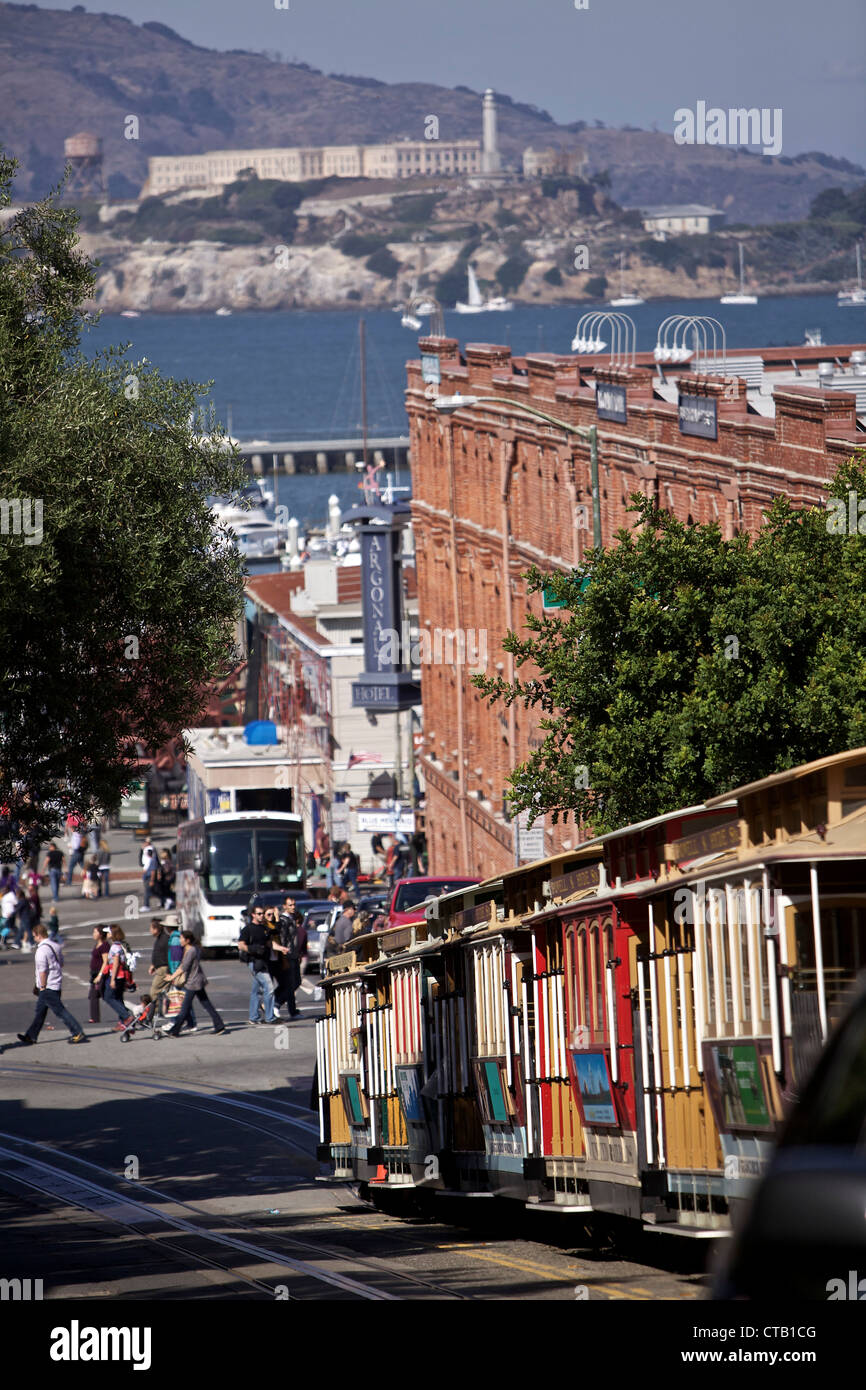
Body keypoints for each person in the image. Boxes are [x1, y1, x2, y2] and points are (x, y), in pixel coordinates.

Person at [17, 922, 87, 1046]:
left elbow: (42, 971)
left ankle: (77, 1032)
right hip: (56, 982)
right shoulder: (56, 946)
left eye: (34, 936)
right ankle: (31, 1035)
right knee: (40, 1011)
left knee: (60, 1011)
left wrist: (42, 987)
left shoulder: (41, 951)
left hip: (48, 986)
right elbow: (61, 963)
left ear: (38, 935)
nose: (34, 939)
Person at [161, 930, 226, 1037]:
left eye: (182, 938)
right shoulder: (191, 949)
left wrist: (171, 977)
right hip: (197, 980)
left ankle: (175, 1030)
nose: (180, 940)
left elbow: (183, 967)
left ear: (187, 940)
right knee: (206, 1003)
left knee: (184, 1007)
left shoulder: (191, 951)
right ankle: (219, 1025)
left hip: (193, 982)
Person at [238, 900, 284, 1024]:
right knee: (269, 987)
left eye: (262, 913)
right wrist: (252, 949)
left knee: (256, 990)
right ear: (253, 915)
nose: (261, 916)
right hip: (254, 961)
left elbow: (270, 942)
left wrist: (281, 948)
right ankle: (270, 1017)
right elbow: (241, 945)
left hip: (264, 961)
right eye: (259, 914)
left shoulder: (264, 928)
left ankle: (254, 1017)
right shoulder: (248, 929)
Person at [94, 924, 136, 1029]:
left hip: (116, 976)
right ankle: (122, 1023)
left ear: (112, 934)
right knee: (118, 998)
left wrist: (112, 979)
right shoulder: (121, 945)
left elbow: (116, 963)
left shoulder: (114, 947)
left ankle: (127, 1017)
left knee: (108, 997)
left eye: (108, 932)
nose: (106, 934)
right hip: (121, 977)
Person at [162, 911, 197, 1030]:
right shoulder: (176, 937)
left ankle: (176, 1022)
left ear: (168, 927)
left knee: (178, 998)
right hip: (178, 972)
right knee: (183, 998)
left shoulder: (174, 940)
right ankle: (191, 1023)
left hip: (177, 973)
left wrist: (174, 975)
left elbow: (176, 959)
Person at [275, 896, 306, 1018]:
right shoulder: (283, 920)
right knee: (290, 983)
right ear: (284, 906)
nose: (293, 907)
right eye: (290, 905)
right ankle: (277, 1004)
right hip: (287, 955)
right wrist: (284, 952)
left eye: (294, 904)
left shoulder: (292, 918)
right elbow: (282, 937)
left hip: (293, 954)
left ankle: (289, 1009)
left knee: (295, 982)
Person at [88, 925, 110, 1023]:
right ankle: (95, 1017)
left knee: (105, 995)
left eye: (95, 932)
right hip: (94, 974)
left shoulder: (105, 945)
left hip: (100, 974)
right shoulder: (97, 944)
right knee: (93, 995)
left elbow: (105, 961)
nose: (93, 934)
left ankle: (123, 1014)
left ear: (100, 934)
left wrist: (99, 975)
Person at [140, 839, 159, 908]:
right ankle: (164, 899)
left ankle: (146, 905)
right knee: (152, 891)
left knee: (147, 891)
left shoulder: (152, 860)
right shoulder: (149, 858)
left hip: (149, 876)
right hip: (146, 875)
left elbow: (153, 870)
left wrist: (152, 880)